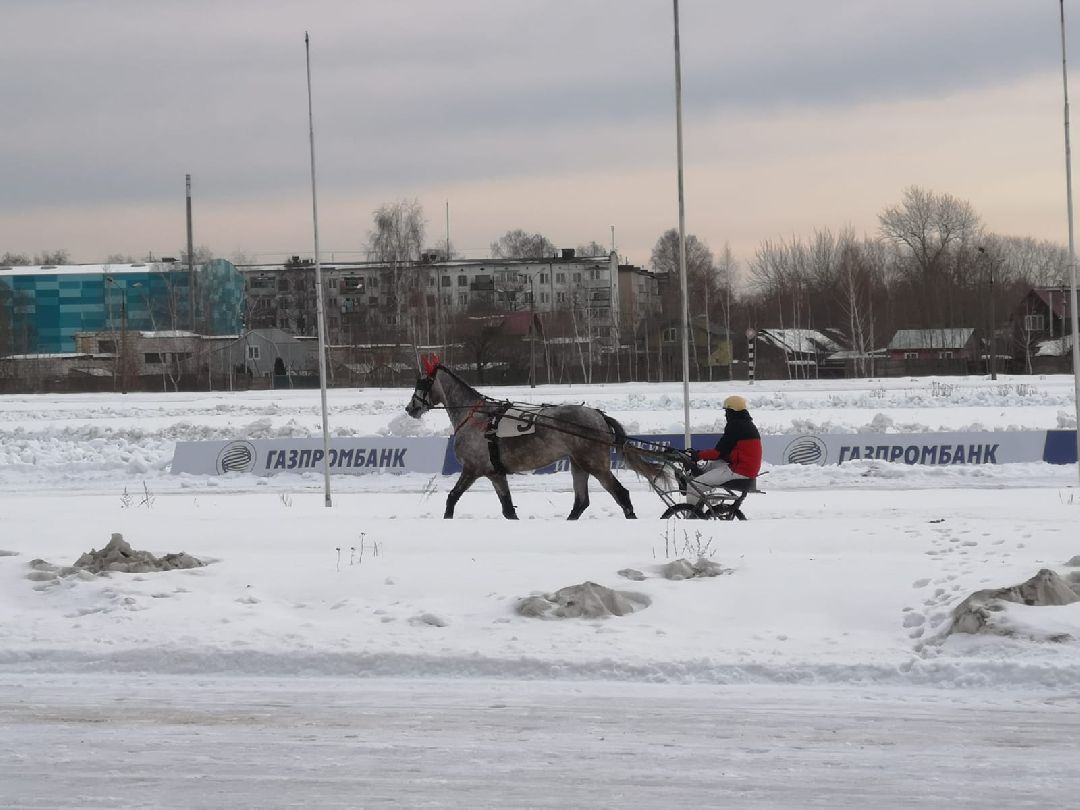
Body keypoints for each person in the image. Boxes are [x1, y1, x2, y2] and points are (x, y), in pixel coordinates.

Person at [685, 395, 762, 507]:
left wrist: (698, 455)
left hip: (739, 471)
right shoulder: (747, 424)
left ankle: (693, 517)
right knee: (708, 468)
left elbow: (719, 452)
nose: (725, 415)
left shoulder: (735, 425)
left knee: (693, 486)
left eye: (726, 411)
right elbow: (728, 453)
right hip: (745, 468)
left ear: (732, 411)